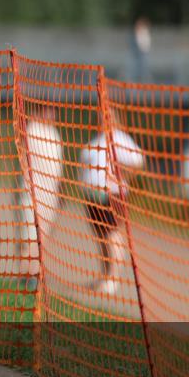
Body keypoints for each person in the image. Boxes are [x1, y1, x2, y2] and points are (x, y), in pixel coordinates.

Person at [79, 109, 145, 295]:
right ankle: (105, 276)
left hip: (112, 195)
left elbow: (138, 160)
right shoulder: (96, 140)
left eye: (106, 117)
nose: (102, 119)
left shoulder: (119, 138)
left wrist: (122, 171)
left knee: (111, 234)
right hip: (93, 196)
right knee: (102, 236)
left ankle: (113, 278)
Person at [14, 102, 63, 290]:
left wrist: (59, 193)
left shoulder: (55, 135)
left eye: (54, 111)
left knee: (41, 240)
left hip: (49, 197)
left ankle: (33, 276)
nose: (52, 114)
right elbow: (23, 156)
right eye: (48, 110)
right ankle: (24, 277)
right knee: (28, 237)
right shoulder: (32, 129)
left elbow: (58, 168)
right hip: (30, 194)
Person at [129, 16, 152, 82]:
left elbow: (145, 43)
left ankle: (143, 80)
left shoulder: (144, 31)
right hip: (139, 52)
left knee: (143, 69)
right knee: (139, 69)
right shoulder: (139, 32)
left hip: (143, 52)